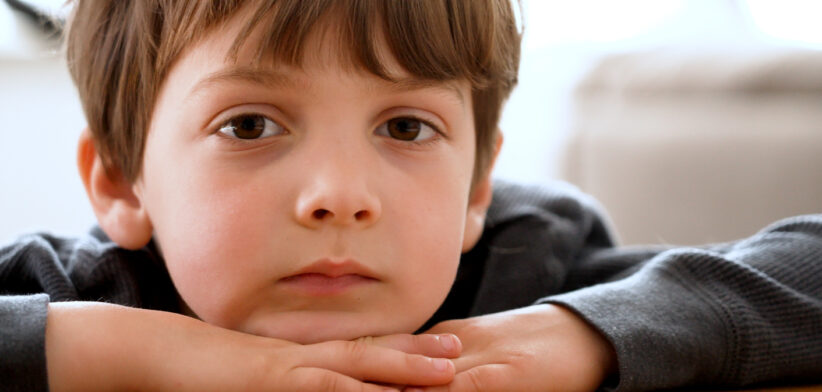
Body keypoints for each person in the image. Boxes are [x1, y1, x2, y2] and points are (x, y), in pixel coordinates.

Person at [2, 0, 821, 391]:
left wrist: (587, 334)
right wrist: (129, 355)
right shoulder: (85, 291)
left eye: (404, 128)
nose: (339, 197)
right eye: (249, 125)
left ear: (476, 187)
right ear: (120, 181)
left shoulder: (528, 267)